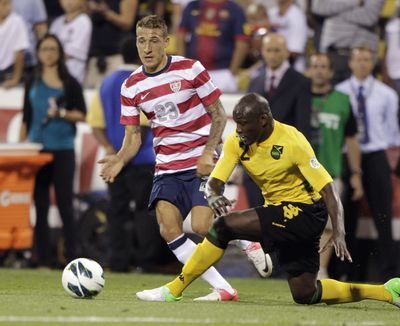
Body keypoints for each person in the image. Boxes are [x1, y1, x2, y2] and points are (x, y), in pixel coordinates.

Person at [135, 93, 400, 308]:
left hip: (306, 212)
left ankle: (175, 289)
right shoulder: (237, 141)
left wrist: (339, 230)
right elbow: (216, 180)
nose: (238, 130)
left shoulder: (293, 141)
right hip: (279, 212)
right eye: (235, 123)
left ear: (263, 120)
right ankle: (387, 291)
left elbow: (328, 189)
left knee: (224, 227)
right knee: (305, 293)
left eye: (243, 124)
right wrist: (214, 195)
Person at [99, 15, 271, 301]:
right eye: (142, 41)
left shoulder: (190, 69)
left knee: (203, 226)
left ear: (167, 42)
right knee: (169, 229)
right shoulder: (130, 86)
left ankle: (246, 241)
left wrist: (208, 151)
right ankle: (223, 288)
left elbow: (218, 115)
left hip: (199, 160)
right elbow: (133, 137)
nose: (147, 47)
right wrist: (119, 159)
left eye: (154, 40)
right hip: (166, 166)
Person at [87, 36, 163, 272]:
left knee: (116, 211)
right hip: (141, 159)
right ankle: (147, 262)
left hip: (115, 160)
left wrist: (112, 150)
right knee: (145, 212)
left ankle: (117, 262)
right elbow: (140, 126)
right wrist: (125, 154)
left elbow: (95, 123)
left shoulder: (107, 83)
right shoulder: (142, 81)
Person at [19, 34, 86, 268]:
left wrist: (62, 114)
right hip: (36, 150)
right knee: (40, 204)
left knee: (66, 204)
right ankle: (43, 258)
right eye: (45, 49)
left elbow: (82, 114)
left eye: (53, 49)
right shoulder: (32, 80)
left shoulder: (70, 83)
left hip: (63, 149)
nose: (49, 53)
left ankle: (72, 257)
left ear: (59, 53)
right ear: (37, 53)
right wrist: (22, 149)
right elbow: (26, 117)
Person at [336, 47, 400, 282]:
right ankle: (346, 271)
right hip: (346, 156)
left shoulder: (387, 94)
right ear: (350, 63)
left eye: (367, 60)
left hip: (375, 155)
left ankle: (391, 274)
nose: (362, 64)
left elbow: (393, 133)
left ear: (372, 63)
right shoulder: (340, 93)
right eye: (358, 60)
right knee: (346, 217)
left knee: (383, 216)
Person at [308, 52, 363, 279]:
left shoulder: (342, 100)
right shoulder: (299, 96)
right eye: (315, 66)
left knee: (330, 224)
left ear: (331, 72)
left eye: (324, 66)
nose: (319, 70)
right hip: (300, 174)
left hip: (330, 172)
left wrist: (356, 174)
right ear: (309, 70)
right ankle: (304, 268)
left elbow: (351, 139)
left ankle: (321, 270)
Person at [246, 32, 311, 207]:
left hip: (284, 164)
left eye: (277, 50)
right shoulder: (255, 82)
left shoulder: (301, 82)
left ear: (286, 52)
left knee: (280, 223)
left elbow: (303, 125)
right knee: (257, 219)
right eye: (269, 50)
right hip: (255, 166)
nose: (273, 54)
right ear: (263, 52)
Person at [176, 0, 249, 93]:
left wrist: (231, 73)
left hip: (222, 72)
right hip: (193, 71)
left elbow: (242, 43)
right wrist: (183, 69)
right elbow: (180, 36)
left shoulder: (235, 9)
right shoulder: (192, 6)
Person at [312, 0, 385, 85]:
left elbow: (369, 17)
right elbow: (319, 7)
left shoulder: (335, 14)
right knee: (331, 96)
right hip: (333, 53)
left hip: (361, 56)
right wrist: (355, 3)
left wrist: (334, 14)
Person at [49, 0, 93, 84]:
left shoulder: (83, 21)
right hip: (54, 75)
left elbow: (70, 53)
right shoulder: (56, 23)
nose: (68, 2)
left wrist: (49, 56)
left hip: (73, 75)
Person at [0, 0, 29, 88]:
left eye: (10, 3)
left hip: (8, 71)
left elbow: (20, 53)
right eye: (4, 4)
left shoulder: (17, 21)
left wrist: (16, 79)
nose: (9, 7)